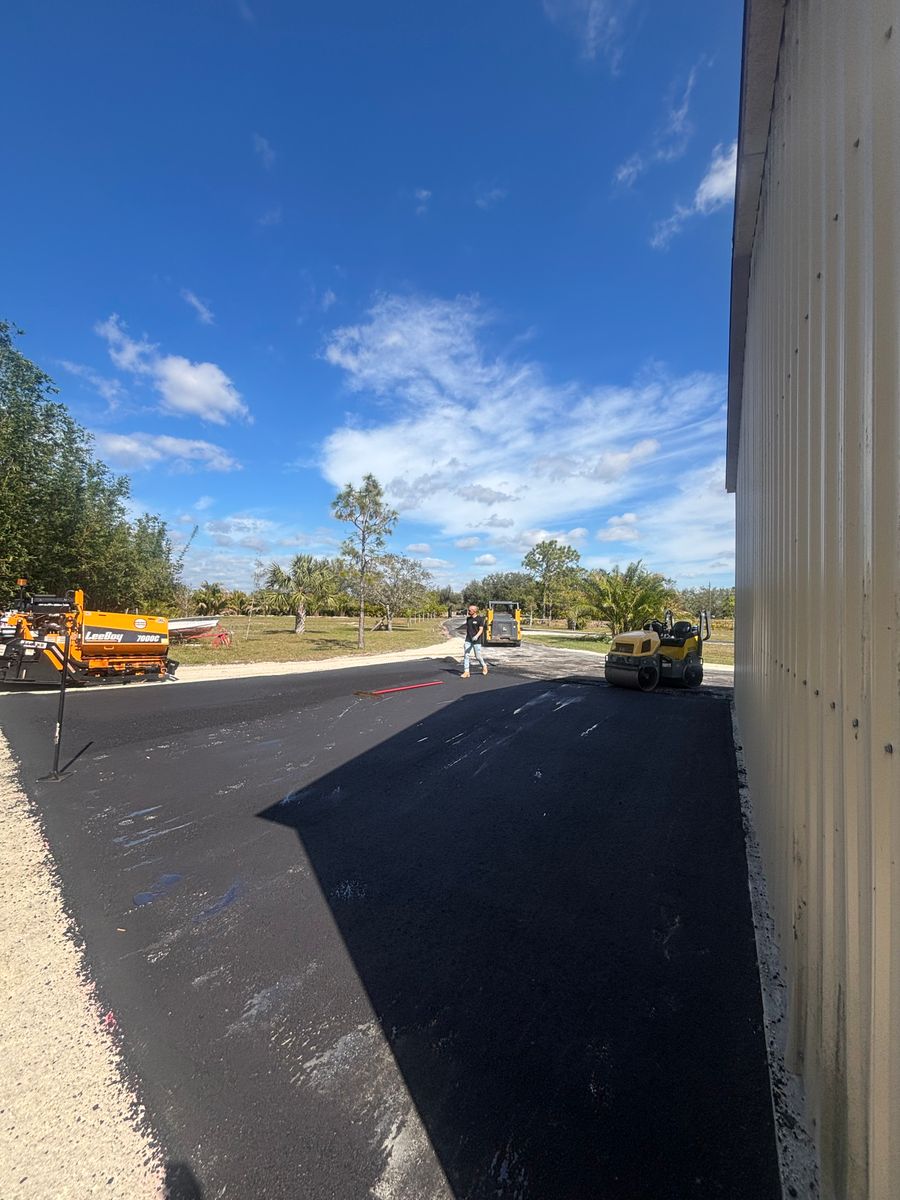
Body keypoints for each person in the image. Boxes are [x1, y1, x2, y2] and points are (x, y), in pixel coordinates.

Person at [461, 603, 488, 678]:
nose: (468, 611)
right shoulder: (468, 619)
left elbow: (481, 629)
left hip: (476, 641)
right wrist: (467, 640)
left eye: (469, 610)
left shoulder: (480, 619)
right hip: (468, 640)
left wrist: (476, 636)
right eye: (468, 610)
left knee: (478, 656)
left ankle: (484, 666)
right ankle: (466, 672)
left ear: (474, 611)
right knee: (466, 655)